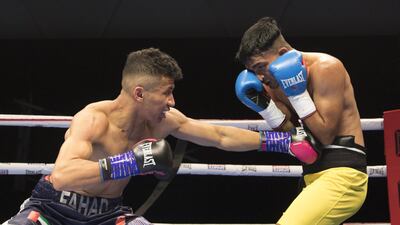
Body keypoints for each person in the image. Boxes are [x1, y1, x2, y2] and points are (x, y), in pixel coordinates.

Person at [4, 48, 318, 225]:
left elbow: (219, 136)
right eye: (167, 93)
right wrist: (128, 162)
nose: (172, 102)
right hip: (55, 210)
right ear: (140, 93)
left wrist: (281, 143)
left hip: (108, 216)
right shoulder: (93, 119)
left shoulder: (162, 121)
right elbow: (64, 173)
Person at [235, 17, 368, 225]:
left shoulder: (326, 68)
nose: (260, 77)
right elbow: (297, 138)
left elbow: (324, 135)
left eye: (261, 67)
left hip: (343, 174)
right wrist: (269, 110)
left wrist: (297, 94)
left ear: (283, 55)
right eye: (254, 71)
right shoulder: (272, 84)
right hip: (311, 175)